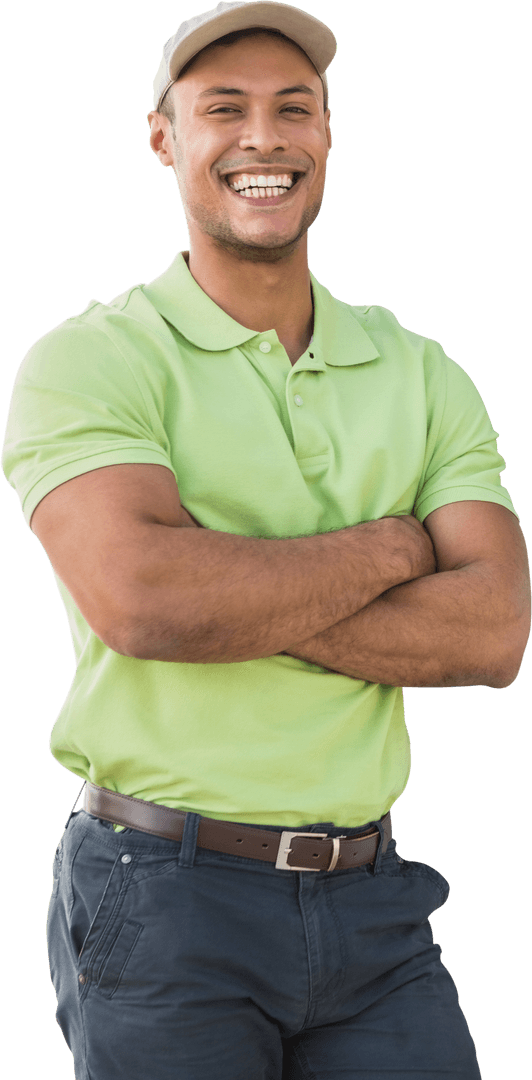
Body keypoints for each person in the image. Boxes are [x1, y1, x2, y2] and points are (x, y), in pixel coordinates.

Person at [2, 1, 530, 1077]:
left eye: (294, 109)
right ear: (164, 140)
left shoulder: (421, 372)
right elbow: (147, 602)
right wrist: (392, 548)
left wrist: (231, 585)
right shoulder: (89, 360)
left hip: (375, 901)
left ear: (326, 136)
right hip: (161, 893)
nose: (263, 138)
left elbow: (493, 631)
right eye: (223, 110)